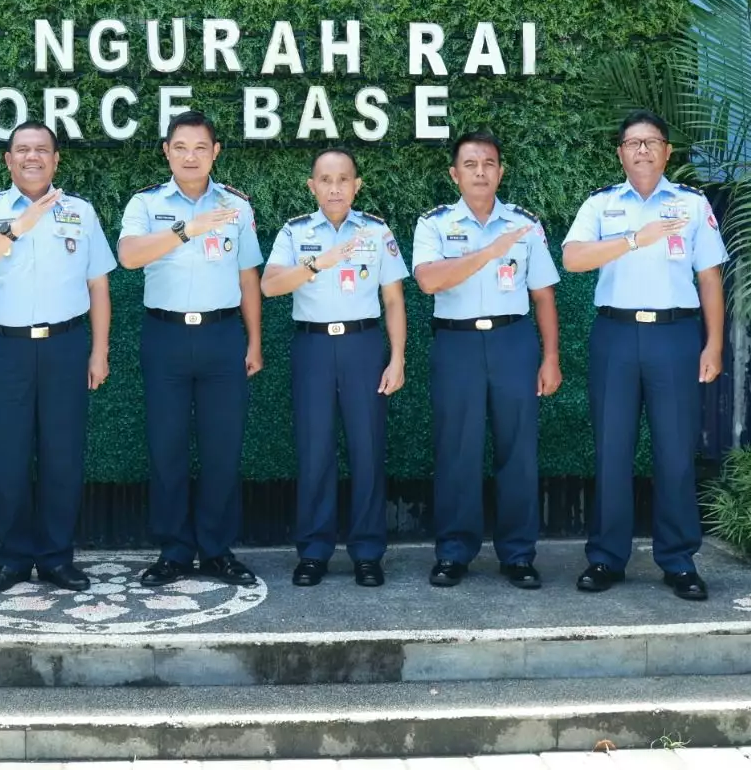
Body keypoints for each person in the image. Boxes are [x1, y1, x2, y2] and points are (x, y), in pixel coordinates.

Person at [561, 110, 727, 601]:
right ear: (620, 153)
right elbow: (572, 259)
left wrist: (713, 343)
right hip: (614, 335)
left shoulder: (692, 205)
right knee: (612, 450)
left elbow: (710, 278)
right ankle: (607, 558)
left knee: (674, 452)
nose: (642, 150)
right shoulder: (601, 205)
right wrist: (634, 238)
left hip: (675, 337)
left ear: (667, 152)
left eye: (652, 142)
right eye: (633, 143)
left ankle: (678, 561)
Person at [0, 121, 116, 595]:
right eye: (22, 150)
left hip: (65, 346)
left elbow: (98, 284)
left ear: (56, 159)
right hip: (3, 347)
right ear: (8, 159)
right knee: (7, 457)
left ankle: (57, 558)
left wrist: (99, 351)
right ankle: (12, 559)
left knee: (63, 456)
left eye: (42, 150)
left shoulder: (79, 212)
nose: (32, 157)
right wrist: (17, 228)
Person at [118, 111, 264, 589]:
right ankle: (175, 550)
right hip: (165, 337)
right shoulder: (146, 203)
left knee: (224, 449)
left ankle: (218, 551)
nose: (191, 156)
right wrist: (188, 229)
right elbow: (129, 256)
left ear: (215, 152)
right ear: (167, 151)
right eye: (181, 147)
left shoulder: (237, 207)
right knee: (167, 448)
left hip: (222, 337)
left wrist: (255, 340)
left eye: (201, 147)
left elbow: (248, 277)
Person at [412, 132, 562, 590]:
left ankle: (518, 554)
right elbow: (429, 281)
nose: (481, 172)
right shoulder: (434, 224)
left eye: (489, 164)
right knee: (457, 449)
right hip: (456, 345)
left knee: (518, 450)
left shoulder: (524, 225)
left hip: (512, 342)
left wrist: (551, 356)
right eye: (471, 164)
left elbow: (542, 295)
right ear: (455, 174)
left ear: (501, 171)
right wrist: (489, 252)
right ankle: (454, 552)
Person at [261, 148, 407, 588]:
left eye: (344, 179)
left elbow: (394, 300)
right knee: (314, 452)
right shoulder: (294, 232)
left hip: (364, 345)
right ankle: (314, 551)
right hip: (313, 347)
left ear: (357, 185)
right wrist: (316, 263)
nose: (335, 187)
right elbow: (269, 286)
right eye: (325, 179)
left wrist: (397, 357)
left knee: (367, 451)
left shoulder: (377, 231)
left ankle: (367, 553)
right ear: (312, 186)